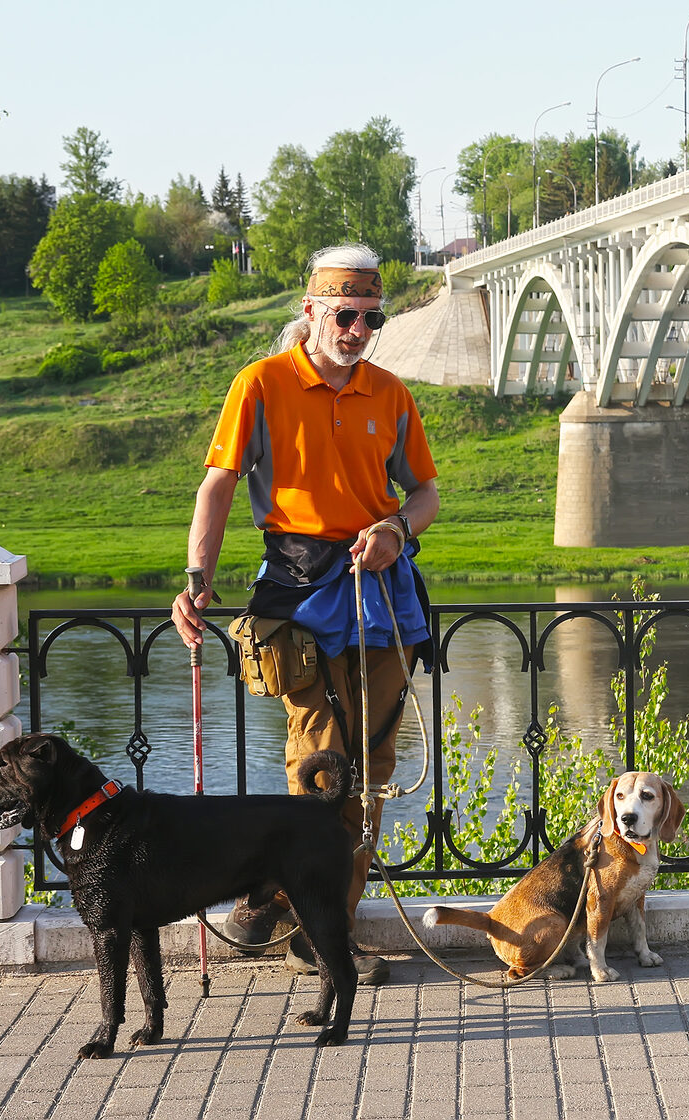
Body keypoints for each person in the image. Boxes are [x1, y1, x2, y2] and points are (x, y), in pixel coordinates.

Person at [171, 243, 439, 986]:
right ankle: (299, 914)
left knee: (373, 767)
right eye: (344, 314)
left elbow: (424, 494)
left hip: (378, 593)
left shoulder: (389, 394)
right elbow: (218, 486)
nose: (356, 330)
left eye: (369, 317)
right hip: (294, 590)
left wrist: (397, 530)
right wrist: (197, 578)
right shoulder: (261, 384)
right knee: (319, 760)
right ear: (311, 310)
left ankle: (302, 914)